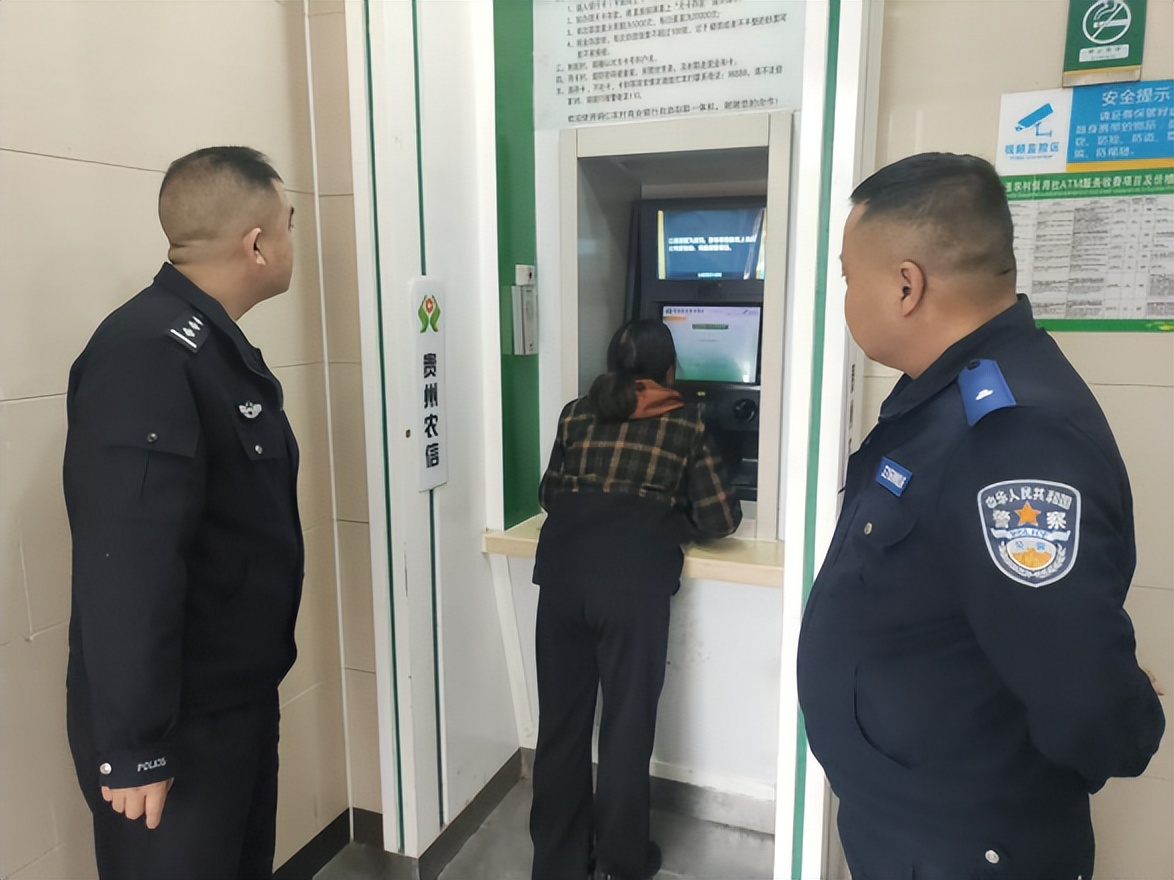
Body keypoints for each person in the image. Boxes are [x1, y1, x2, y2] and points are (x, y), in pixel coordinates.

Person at [796, 152, 1165, 879]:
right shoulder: (943, 400)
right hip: (912, 825)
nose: (845, 296)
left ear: (907, 285)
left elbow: (1080, 687)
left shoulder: (1013, 436)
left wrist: (1121, 715)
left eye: (847, 277)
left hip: (968, 848)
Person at [63, 146, 302, 880]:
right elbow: (127, 560)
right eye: (288, 224)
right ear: (256, 245)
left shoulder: (209, 349)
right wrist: (138, 745)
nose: (292, 240)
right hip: (176, 727)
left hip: (232, 705)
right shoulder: (146, 353)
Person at [529, 319, 743, 880]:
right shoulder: (686, 422)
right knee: (625, 730)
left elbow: (550, 494)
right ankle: (621, 862)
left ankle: (556, 865)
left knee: (560, 727)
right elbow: (721, 518)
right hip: (632, 587)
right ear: (669, 370)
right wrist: (670, 514)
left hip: (563, 578)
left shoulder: (576, 413)